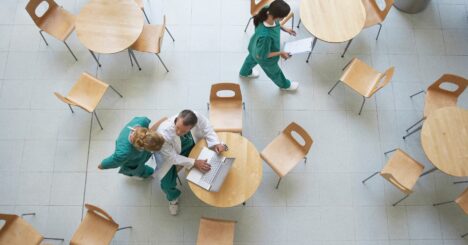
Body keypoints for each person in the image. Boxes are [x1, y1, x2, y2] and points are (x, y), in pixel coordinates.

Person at [155, 110, 226, 215]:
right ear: (177, 118)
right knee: (166, 184)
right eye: (177, 127)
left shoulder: (195, 116)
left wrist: (216, 143)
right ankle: (173, 199)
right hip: (168, 157)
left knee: (208, 154)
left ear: (191, 127)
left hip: (185, 144)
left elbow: (207, 127)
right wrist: (194, 162)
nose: (178, 132)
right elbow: (172, 158)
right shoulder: (164, 133)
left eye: (183, 131)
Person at [239, 0, 298, 91]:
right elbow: (263, 55)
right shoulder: (266, 36)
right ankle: (285, 85)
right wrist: (280, 53)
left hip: (254, 47)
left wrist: (286, 29)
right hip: (265, 58)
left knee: (250, 60)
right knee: (275, 73)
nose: (283, 19)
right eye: (283, 17)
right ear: (279, 17)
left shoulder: (267, 10)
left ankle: (244, 72)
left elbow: (276, 24)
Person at [98, 116, 165, 179]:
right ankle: (146, 174)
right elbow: (113, 161)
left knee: (144, 158)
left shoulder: (142, 121)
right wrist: (102, 165)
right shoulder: (124, 153)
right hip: (133, 162)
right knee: (140, 170)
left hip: (140, 155)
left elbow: (150, 130)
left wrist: (164, 119)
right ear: (144, 148)